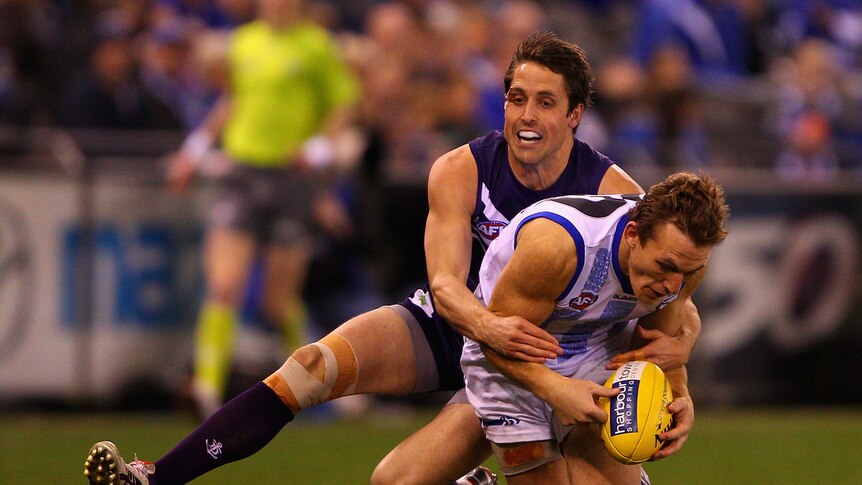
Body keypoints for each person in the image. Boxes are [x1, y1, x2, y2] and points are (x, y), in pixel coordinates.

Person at [83, 31, 699, 485]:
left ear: (575, 114)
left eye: (544, 102)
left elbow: (672, 294)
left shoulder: (617, 197)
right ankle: (154, 478)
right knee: (310, 366)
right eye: (516, 98)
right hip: (461, 323)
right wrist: (486, 326)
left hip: (546, 355)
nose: (526, 116)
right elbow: (444, 282)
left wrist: (681, 367)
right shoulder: (460, 170)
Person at [460, 172, 728, 483]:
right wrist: (556, 389)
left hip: (599, 354)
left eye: (687, 271)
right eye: (665, 267)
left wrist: (680, 395)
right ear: (632, 234)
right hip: (514, 367)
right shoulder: (558, 247)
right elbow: (494, 339)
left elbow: (657, 350)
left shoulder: (684, 261)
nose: (672, 284)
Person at [165, 0, 361, 417]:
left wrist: (318, 145)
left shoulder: (316, 46)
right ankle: (206, 388)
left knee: (278, 299)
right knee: (224, 285)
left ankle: (322, 385)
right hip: (242, 172)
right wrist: (195, 148)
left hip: (291, 179)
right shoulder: (244, 41)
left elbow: (344, 103)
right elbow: (232, 100)